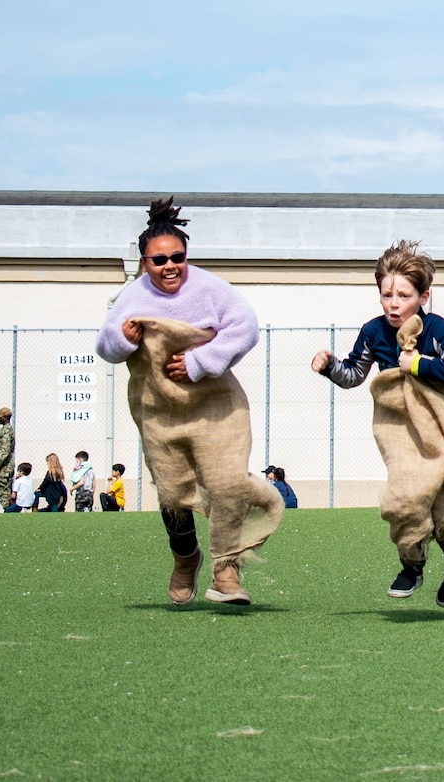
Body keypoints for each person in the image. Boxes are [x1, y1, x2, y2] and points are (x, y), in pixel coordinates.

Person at [96, 197, 283, 606]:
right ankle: (185, 557)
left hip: (216, 406)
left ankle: (226, 569)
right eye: (159, 260)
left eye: (177, 258)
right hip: (160, 410)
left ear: (186, 256)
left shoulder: (210, 290)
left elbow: (245, 327)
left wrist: (199, 361)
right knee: (173, 491)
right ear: (145, 262)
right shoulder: (132, 297)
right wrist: (123, 339)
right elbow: (106, 347)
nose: (170, 267)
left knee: (228, 483)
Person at [312, 239, 444, 608]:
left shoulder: (436, 329)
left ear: (423, 296)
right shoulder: (373, 331)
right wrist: (330, 368)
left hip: (439, 425)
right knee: (405, 496)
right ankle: (412, 563)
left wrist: (418, 364)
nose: (393, 303)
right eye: (386, 294)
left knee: (442, 500)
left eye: (403, 295)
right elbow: (355, 373)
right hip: (399, 428)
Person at [0, 407, 14, 508]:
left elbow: (5, 450)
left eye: (0, 417)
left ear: (5, 418)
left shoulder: (6, 431)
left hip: (4, 467)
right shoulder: (5, 430)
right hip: (5, 466)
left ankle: (4, 510)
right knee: (5, 489)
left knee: (3, 491)